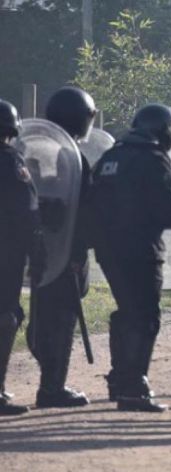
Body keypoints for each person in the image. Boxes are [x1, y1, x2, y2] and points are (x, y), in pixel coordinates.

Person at [89, 104, 171, 412]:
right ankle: (134, 386)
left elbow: (91, 203)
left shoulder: (110, 158)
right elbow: (167, 209)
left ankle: (119, 379)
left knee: (127, 311)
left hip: (109, 251)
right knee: (145, 317)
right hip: (142, 249)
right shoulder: (154, 160)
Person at [25, 87, 97, 409]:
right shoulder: (74, 158)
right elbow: (84, 211)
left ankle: (49, 381)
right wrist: (81, 250)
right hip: (66, 252)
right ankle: (52, 387)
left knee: (42, 316)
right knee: (62, 318)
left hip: (40, 251)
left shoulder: (41, 151)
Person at [0, 100, 43, 416]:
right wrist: (36, 249)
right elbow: (26, 210)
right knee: (6, 315)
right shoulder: (9, 161)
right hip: (5, 253)